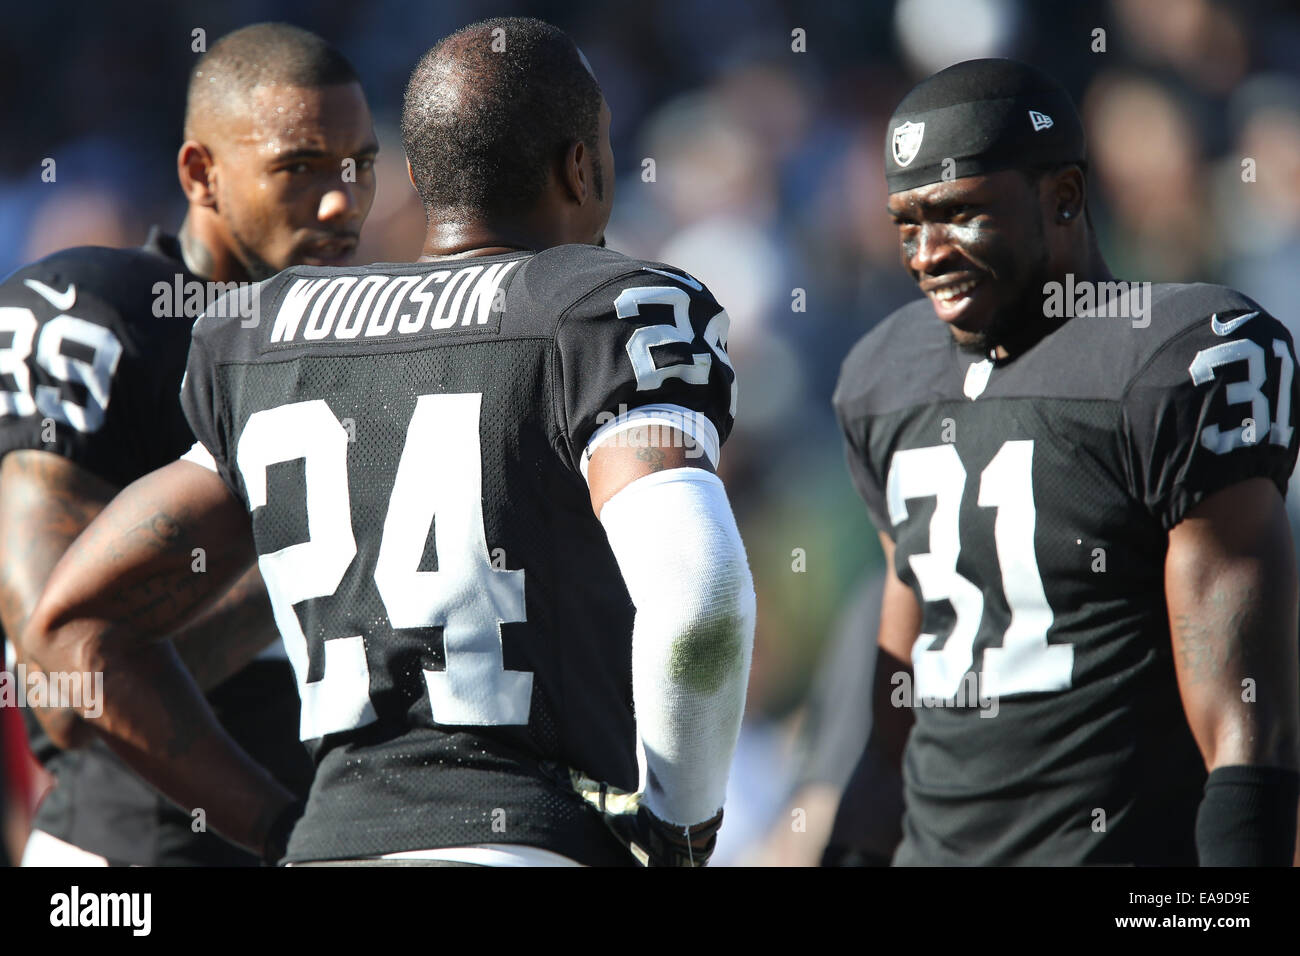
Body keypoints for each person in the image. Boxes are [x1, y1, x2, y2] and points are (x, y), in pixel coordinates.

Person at [24, 17, 755, 868]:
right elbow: (701, 596)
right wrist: (679, 829)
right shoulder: (600, 307)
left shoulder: (270, 330)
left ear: (416, 177)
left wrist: (274, 828)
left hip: (330, 845)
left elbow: (72, 616)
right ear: (582, 166)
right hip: (523, 839)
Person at [832, 58, 1299, 865]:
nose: (926, 253)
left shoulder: (1178, 356)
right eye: (907, 224)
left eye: (959, 215)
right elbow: (897, 699)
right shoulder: (884, 375)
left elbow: (1247, 722)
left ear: (1064, 198)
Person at [0, 21, 377, 866]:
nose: (341, 202)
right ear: (201, 172)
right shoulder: (104, 315)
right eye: (300, 166)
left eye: (361, 166)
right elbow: (62, 685)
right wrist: (330, 541)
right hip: (137, 856)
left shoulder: (369, 343)